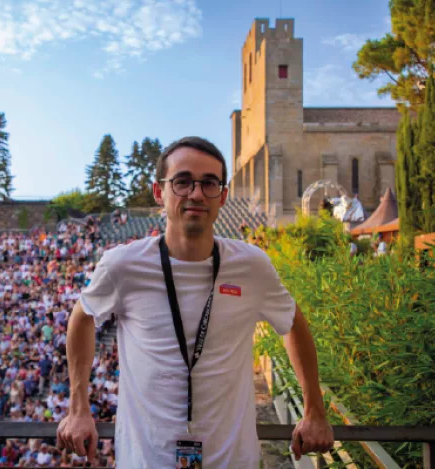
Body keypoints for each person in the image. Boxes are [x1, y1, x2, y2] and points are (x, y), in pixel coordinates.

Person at [57, 136, 334, 468]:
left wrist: (314, 409)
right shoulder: (122, 265)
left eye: (209, 183)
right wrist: (78, 408)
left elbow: (293, 324)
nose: (197, 194)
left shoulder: (251, 266)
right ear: (160, 192)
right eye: (183, 182)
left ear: (223, 196)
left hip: (231, 460)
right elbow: (82, 317)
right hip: (145, 459)